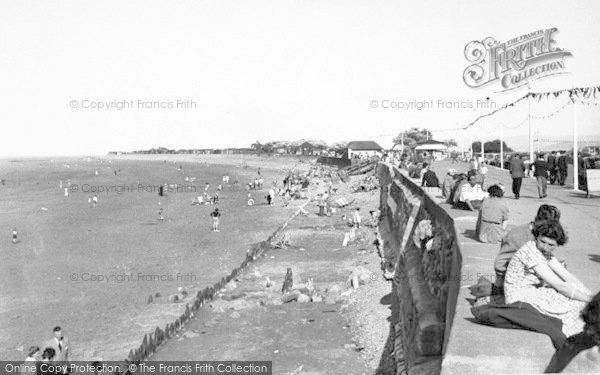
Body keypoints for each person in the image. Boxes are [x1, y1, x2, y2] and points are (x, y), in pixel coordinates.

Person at [504, 221, 593, 337]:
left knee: (578, 295)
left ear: (557, 245)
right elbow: (560, 286)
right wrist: (591, 299)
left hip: (532, 291)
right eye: (542, 241)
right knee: (576, 305)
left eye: (550, 245)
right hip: (519, 295)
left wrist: (588, 294)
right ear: (537, 237)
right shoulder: (531, 251)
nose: (545, 247)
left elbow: (568, 277)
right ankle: (581, 334)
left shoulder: (544, 252)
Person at [494, 204, 561, 291]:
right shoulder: (517, 236)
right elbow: (500, 264)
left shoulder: (540, 234)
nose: (548, 230)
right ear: (537, 220)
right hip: (513, 283)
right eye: (546, 226)